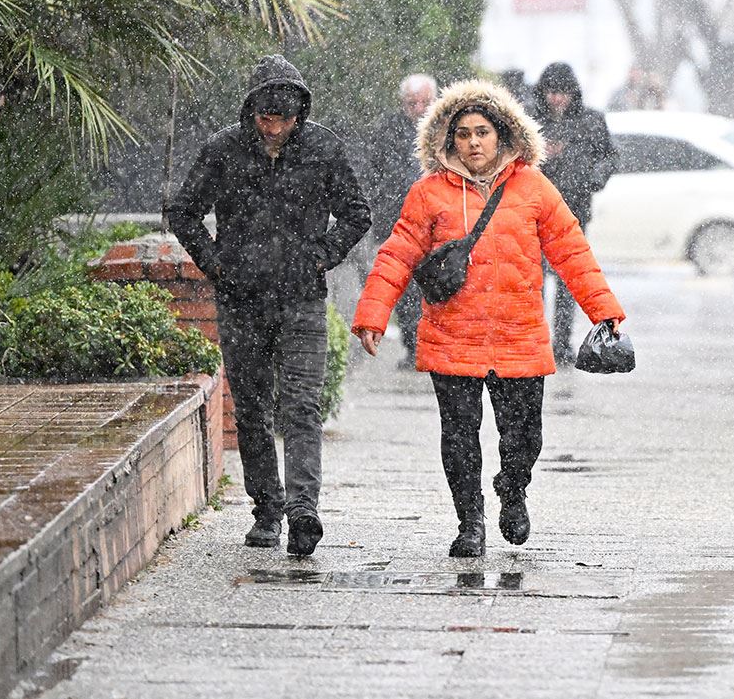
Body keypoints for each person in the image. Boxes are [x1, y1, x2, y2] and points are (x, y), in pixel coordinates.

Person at [351, 79, 625, 558]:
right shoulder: (429, 193)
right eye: (462, 134)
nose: (473, 142)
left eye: (482, 132)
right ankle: (470, 522)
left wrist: (604, 312)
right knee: (459, 438)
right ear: (447, 139)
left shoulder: (534, 188)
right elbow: (397, 253)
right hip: (452, 336)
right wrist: (374, 312)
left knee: (525, 437)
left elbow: (572, 252)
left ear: (503, 135)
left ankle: (512, 487)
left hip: (519, 335)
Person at [167, 55, 371, 556]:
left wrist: (319, 256)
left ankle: (304, 510)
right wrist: (217, 264)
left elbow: (356, 213)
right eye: (265, 118)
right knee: (254, 409)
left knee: (301, 407)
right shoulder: (223, 150)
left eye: (283, 118)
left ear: (298, 114)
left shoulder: (322, 149)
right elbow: (183, 211)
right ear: (252, 113)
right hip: (241, 300)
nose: (274, 127)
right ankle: (267, 509)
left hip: (301, 298)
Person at [532, 62, 618, 362]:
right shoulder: (530, 120)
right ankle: (537, 338)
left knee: (569, 281)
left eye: (563, 93)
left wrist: (593, 178)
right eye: (552, 93)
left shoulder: (591, 121)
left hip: (574, 211)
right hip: (534, 214)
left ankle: (562, 342)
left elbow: (609, 157)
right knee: (534, 280)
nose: (557, 100)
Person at [360, 73, 438, 367]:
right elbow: (373, 171)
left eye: (424, 102)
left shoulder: (444, 128)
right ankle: (413, 345)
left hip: (436, 223)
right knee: (404, 289)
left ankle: (431, 344)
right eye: (412, 103)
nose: (418, 109)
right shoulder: (386, 129)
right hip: (397, 220)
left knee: (434, 287)